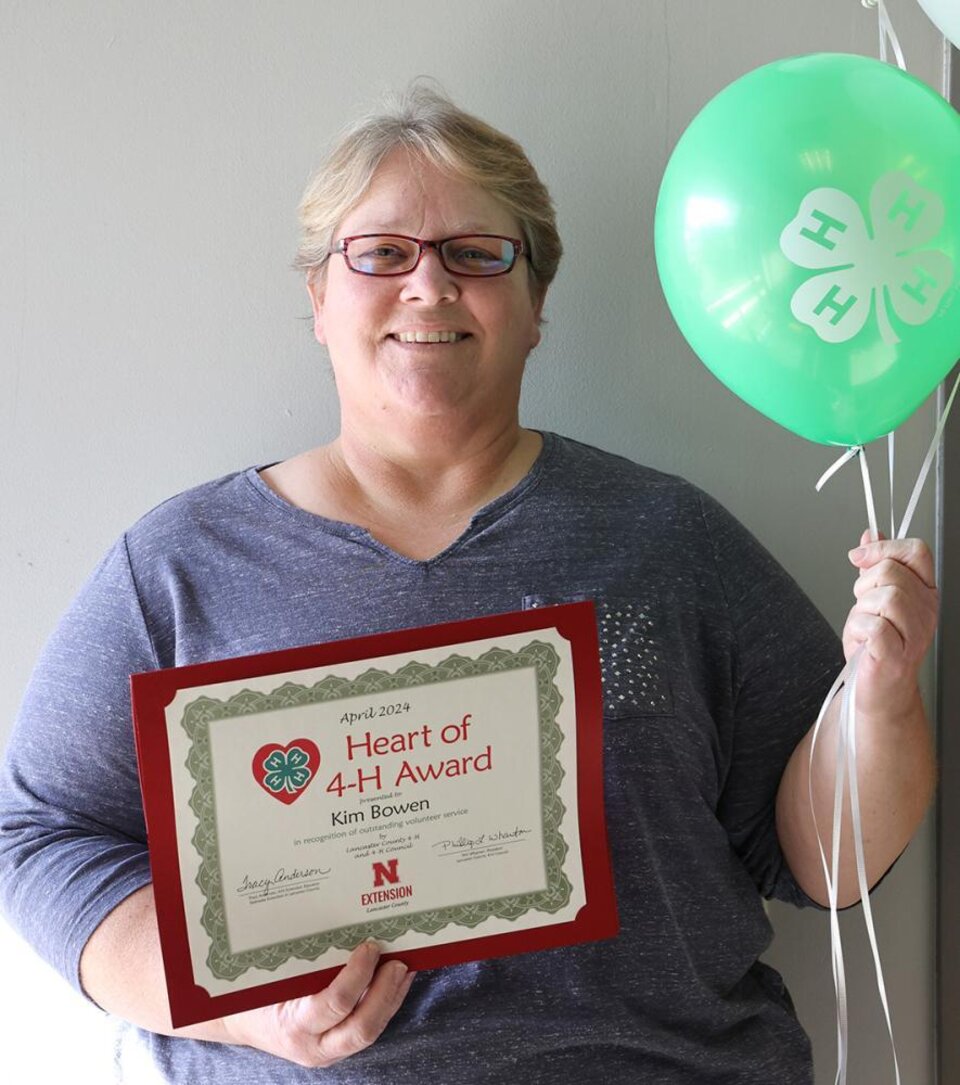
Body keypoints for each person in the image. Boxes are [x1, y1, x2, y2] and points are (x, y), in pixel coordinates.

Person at [0, 84, 938, 1084]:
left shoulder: (670, 539)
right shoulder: (181, 564)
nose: (429, 286)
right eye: (383, 253)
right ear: (319, 298)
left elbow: (827, 861)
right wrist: (239, 1007)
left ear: (535, 308)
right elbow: (40, 838)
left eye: (478, 254)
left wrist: (881, 697)